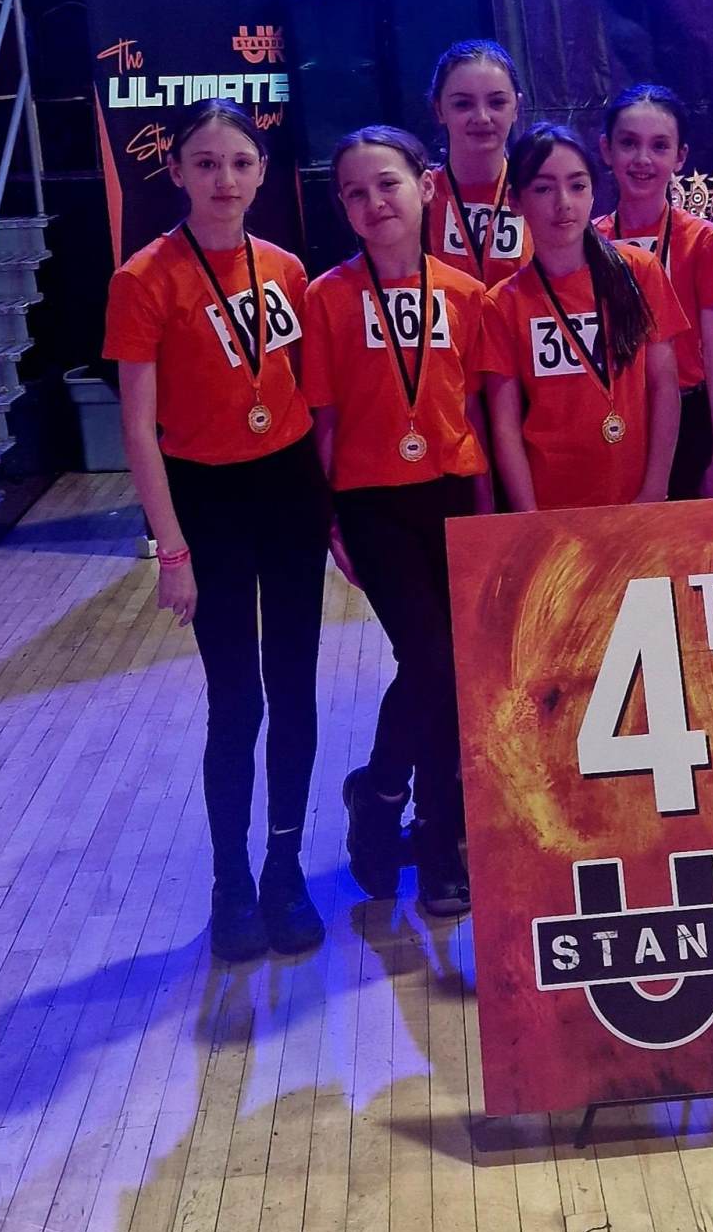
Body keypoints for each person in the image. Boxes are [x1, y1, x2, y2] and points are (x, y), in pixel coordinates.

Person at [104, 99, 328, 962]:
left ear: (262, 172)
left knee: (296, 686)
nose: (224, 179)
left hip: (289, 490)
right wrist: (172, 549)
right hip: (208, 499)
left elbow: (306, 388)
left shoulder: (287, 268)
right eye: (205, 163)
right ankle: (230, 878)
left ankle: (284, 867)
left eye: (239, 162)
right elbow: (137, 428)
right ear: (177, 172)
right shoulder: (144, 278)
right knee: (236, 698)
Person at [305, 126, 491, 917]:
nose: (374, 201)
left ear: (427, 186)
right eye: (355, 192)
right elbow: (323, 422)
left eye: (388, 183)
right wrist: (329, 523)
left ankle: (428, 827)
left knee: (450, 670)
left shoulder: (468, 294)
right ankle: (386, 795)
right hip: (372, 505)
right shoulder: (326, 298)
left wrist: (488, 509)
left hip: (451, 495)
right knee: (433, 660)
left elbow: (475, 408)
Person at [481, 124, 686, 510]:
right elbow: (505, 425)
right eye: (543, 189)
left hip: (637, 500)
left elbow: (664, 385)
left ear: (593, 191)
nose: (564, 203)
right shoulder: (502, 303)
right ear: (515, 201)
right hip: (551, 504)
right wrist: (530, 516)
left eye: (577, 186)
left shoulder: (639, 271)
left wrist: (655, 490)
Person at [596, 83, 713, 499]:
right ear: (606, 150)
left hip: (688, 415)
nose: (642, 159)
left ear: (680, 156)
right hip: (616, 417)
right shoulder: (591, 241)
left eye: (659, 146)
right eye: (629, 143)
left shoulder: (703, 240)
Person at [427, 39, 533, 288]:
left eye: (497, 102)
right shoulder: (418, 198)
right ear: (439, 110)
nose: (482, 117)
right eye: (463, 104)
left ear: (516, 107)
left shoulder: (539, 191)